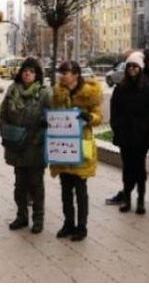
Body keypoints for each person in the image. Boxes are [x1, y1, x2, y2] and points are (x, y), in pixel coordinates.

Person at [106, 47, 149, 209]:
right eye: (129, 66)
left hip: (141, 137)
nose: (132, 69)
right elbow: (114, 111)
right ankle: (127, 200)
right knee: (127, 169)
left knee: (140, 169)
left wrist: (148, 134)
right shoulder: (120, 89)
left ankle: (140, 201)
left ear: (141, 69)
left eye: (135, 66)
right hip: (125, 136)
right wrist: (117, 127)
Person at [51, 60, 102, 242]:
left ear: (76, 74)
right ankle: (68, 223)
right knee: (65, 188)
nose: (62, 75)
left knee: (80, 188)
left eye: (66, 72)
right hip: (63, 145)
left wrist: (89, 117)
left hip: (81, 144)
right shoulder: (57, 93)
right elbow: (52, 113)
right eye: (61, 72)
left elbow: (98, 117)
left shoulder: (89, 93)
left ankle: (81, 226)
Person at [0, 57, 51, 233]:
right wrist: (5, 133)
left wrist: (40, 134)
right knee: (19, 184)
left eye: (31, 71)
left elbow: (52, 118)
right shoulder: (12, 90)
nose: (27, 74)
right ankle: (21, 216)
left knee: (36, 184)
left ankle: (38, 219)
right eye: (25, 71)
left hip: (35, 146)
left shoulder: (44, 93)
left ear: (37, 75)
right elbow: (3, 115)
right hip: (16, 145)